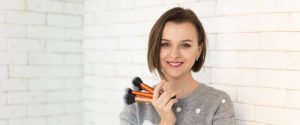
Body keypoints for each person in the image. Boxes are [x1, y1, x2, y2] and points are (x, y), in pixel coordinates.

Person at [120, 7, 236, 125]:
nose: (174, 54)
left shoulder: (217, 103)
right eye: (165, 44)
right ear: (155, 48)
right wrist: (166, 121)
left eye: (185, 45)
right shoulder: (136, 104)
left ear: (199, 51)